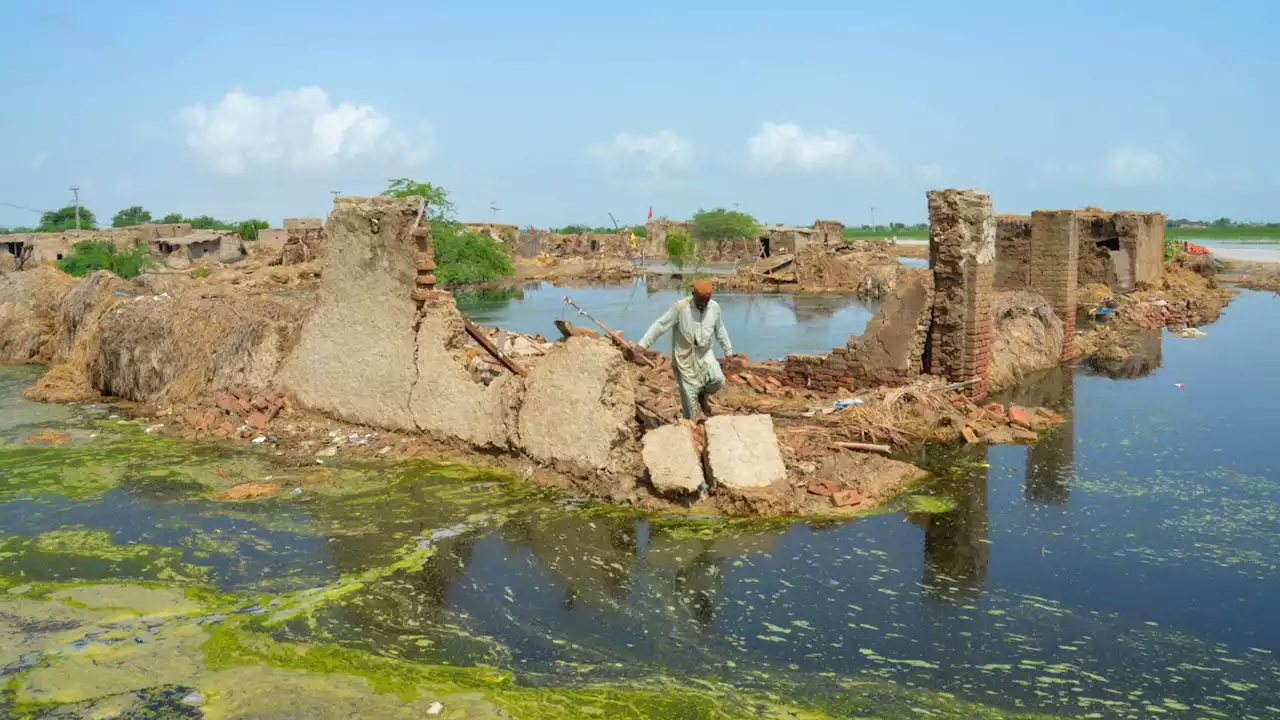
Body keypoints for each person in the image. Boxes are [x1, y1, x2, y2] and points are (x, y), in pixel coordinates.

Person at [634, 280, 733, 420]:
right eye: (700, 300)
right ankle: (692, 429)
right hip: (684, 359)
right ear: (693, 295)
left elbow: (720, 329)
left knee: (718, 380)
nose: (703, 304)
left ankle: (702, 395)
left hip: (705, 355)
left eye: (706, 301)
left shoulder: (715, 308)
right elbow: (660, 326)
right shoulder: (680, 307)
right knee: (691, 410)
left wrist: (728, 351)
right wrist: (642, 345)